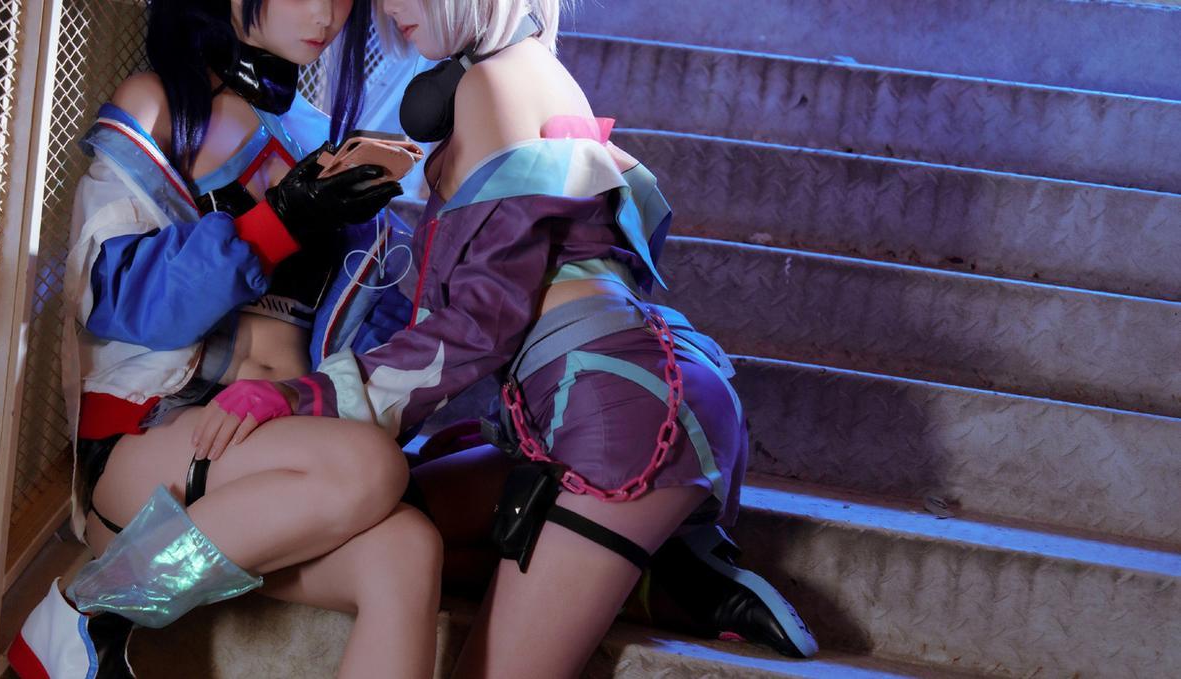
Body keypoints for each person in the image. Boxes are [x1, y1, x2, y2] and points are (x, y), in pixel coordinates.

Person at [199, 0, 817, 676]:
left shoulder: (491, 84)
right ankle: (665, 575)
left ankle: (639, 559)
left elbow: (479, 325)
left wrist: (305, 396)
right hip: (613, 390)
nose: (392, 7)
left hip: (621, 415)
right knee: (385, 523)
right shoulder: (528, 71)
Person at [7, 2, 440, 678]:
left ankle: (99, 612)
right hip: (155, 440)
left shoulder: (324, 135)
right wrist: (279, 220)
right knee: (371, 467)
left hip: (289, 455)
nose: (325, 12)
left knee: (410, 549)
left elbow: (373, 329)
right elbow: (115, 297)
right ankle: (94, 612)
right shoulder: (159, 106)